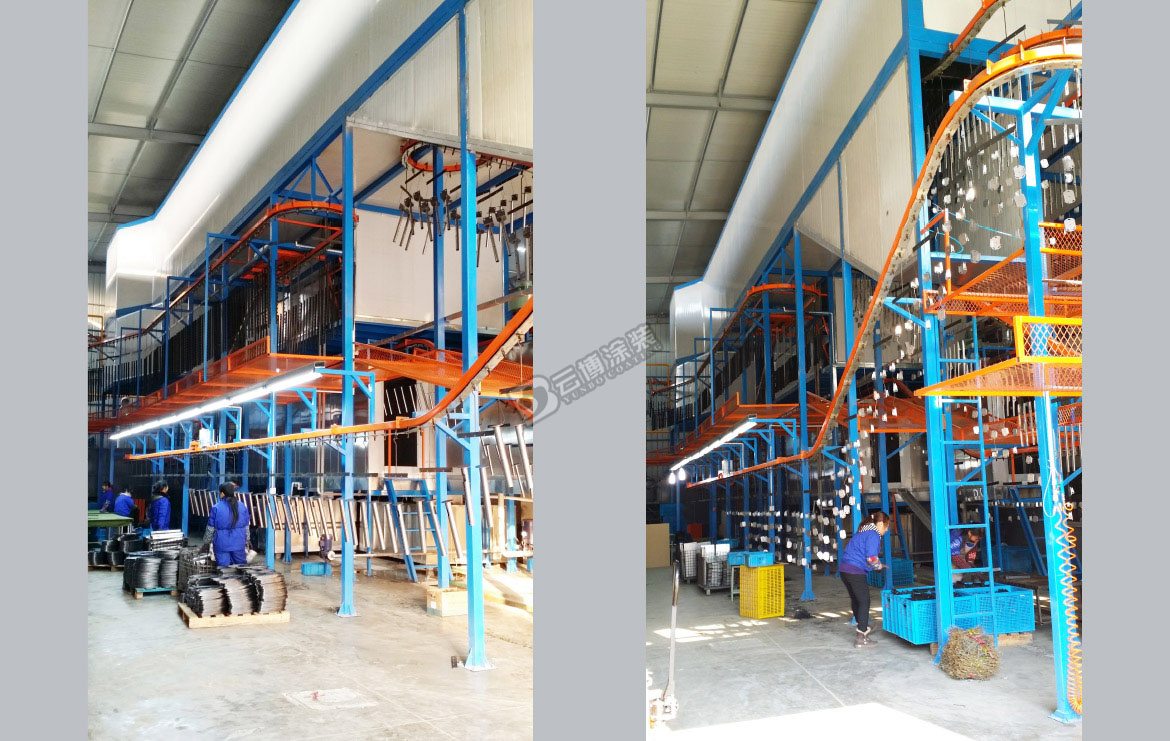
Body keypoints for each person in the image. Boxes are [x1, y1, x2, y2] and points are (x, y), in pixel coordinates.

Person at [838, 511, 891, 648]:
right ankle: (861, 637)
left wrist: (877, 565)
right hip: (855, 570)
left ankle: (863, 625)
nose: (886, 530)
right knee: (864, 601)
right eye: (886, 526)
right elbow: (871, 558)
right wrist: (878, 566)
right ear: (880, 524)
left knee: (856, 599)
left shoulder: (862, 532)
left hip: (844, 569)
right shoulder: (874, 534)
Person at [202, 482, 251, 566]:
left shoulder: (216, 508)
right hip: (239, 542)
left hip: (222, 544)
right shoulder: (242, 506)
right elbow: (246, 526)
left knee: (224, 569)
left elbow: (210, 528)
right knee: (241, 568)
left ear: (222, 493)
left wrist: (206, 543)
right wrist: (248, 539)